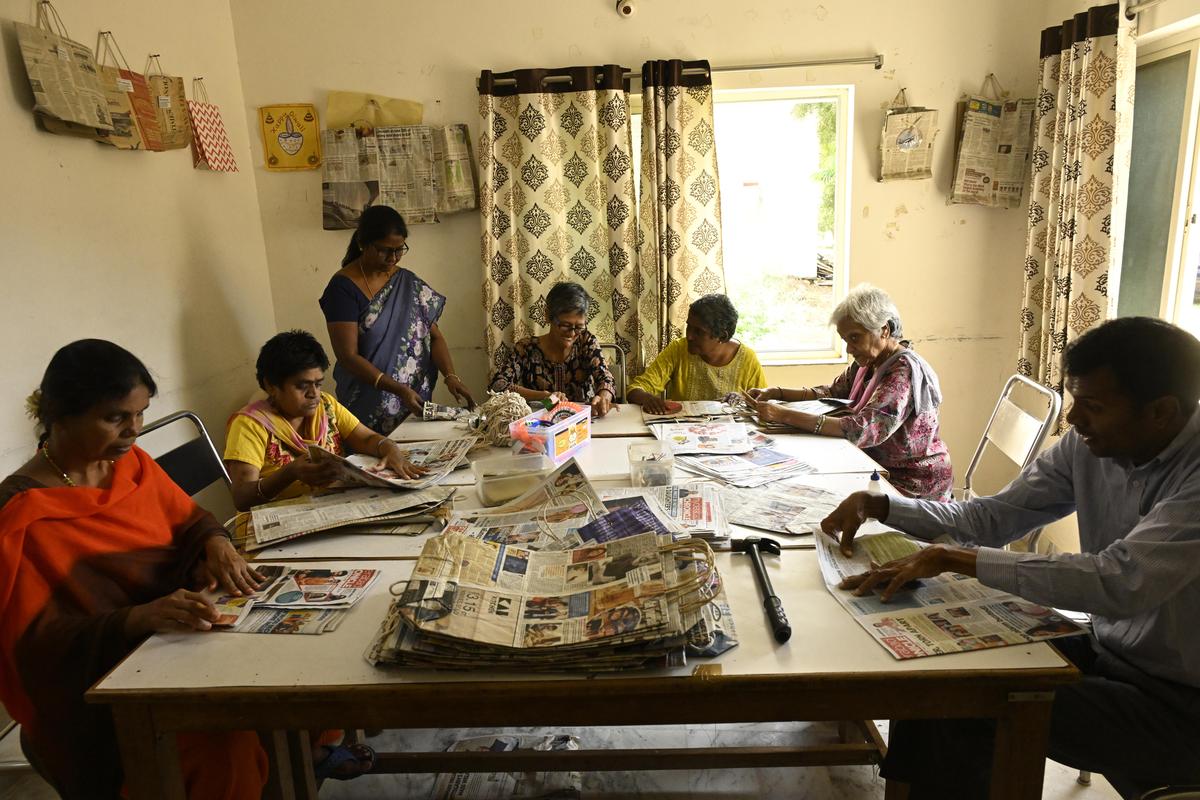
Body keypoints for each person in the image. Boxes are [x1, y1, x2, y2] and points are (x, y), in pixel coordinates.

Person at [820, 317, 1200, 798]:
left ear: (1162, 412)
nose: (1075, 419)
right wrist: (885, 506)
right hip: (1111, 653)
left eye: (1095, 406)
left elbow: (1120, 581)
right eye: (1074, 400)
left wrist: (959, 560)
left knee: (975, 704)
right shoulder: (1089, 446)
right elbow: (995, 517)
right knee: (937, 677)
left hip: (1179, 703)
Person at [0, 340, 268, 799]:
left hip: (178, 645)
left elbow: (189, 520)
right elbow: (36, 647)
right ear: (61, 415)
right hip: (101, 691)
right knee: (225, 742)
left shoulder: (132, 467)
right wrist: (133, 619)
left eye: (141, 414)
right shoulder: (22, 515)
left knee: (277, 685)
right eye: (116, 417)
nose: (134, 432)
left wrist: (216, 540)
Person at [746, 284, 951, 501]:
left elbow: (862, 430)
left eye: (855, 338)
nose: (849, 349)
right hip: (871, 467)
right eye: (846, 340)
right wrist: (777, 392)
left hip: (909, 481)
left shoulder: (903, 372)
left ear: (884, 330)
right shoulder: (869, 363)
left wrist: (783, 414)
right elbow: (832, 392)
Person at [224, 330, 426, 512]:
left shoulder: (326, 407)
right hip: (280, 522)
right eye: (302, 386)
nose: (313, 394)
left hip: (331, 509)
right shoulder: (250, 426)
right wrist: (290, 473)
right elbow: (242, 497)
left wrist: (390, 449)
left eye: (318, 384)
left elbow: (366, 439)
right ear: (271, 386)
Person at [319, 205, 475, 435]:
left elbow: (435, 337)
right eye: (384, 250)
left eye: (399, 250)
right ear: (363, 243)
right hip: (367, 402)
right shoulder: (342, 288)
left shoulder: (406, 282)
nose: (392, 258)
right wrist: (398, 389)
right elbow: (348, 356)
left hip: (412, 402)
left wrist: (451, 376)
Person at [488, 281, 617, 417]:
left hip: (581, 423)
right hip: (539, 424)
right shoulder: (526, 348)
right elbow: (497, 385)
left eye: (579, 327)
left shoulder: (586, 342)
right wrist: (542, 397)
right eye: (565, 325)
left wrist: (603, 397)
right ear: (548, 316)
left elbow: (606, 378)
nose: (572, 333)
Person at [626, 294, 767, 412]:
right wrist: (647, 398)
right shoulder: (678, 349)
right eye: (689, 327)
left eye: (699, 332)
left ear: (722, 337)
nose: (689, 336)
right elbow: (635, 389)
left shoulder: (747, 360)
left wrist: (743, 401)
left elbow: (761, 405)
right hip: (681, 433)